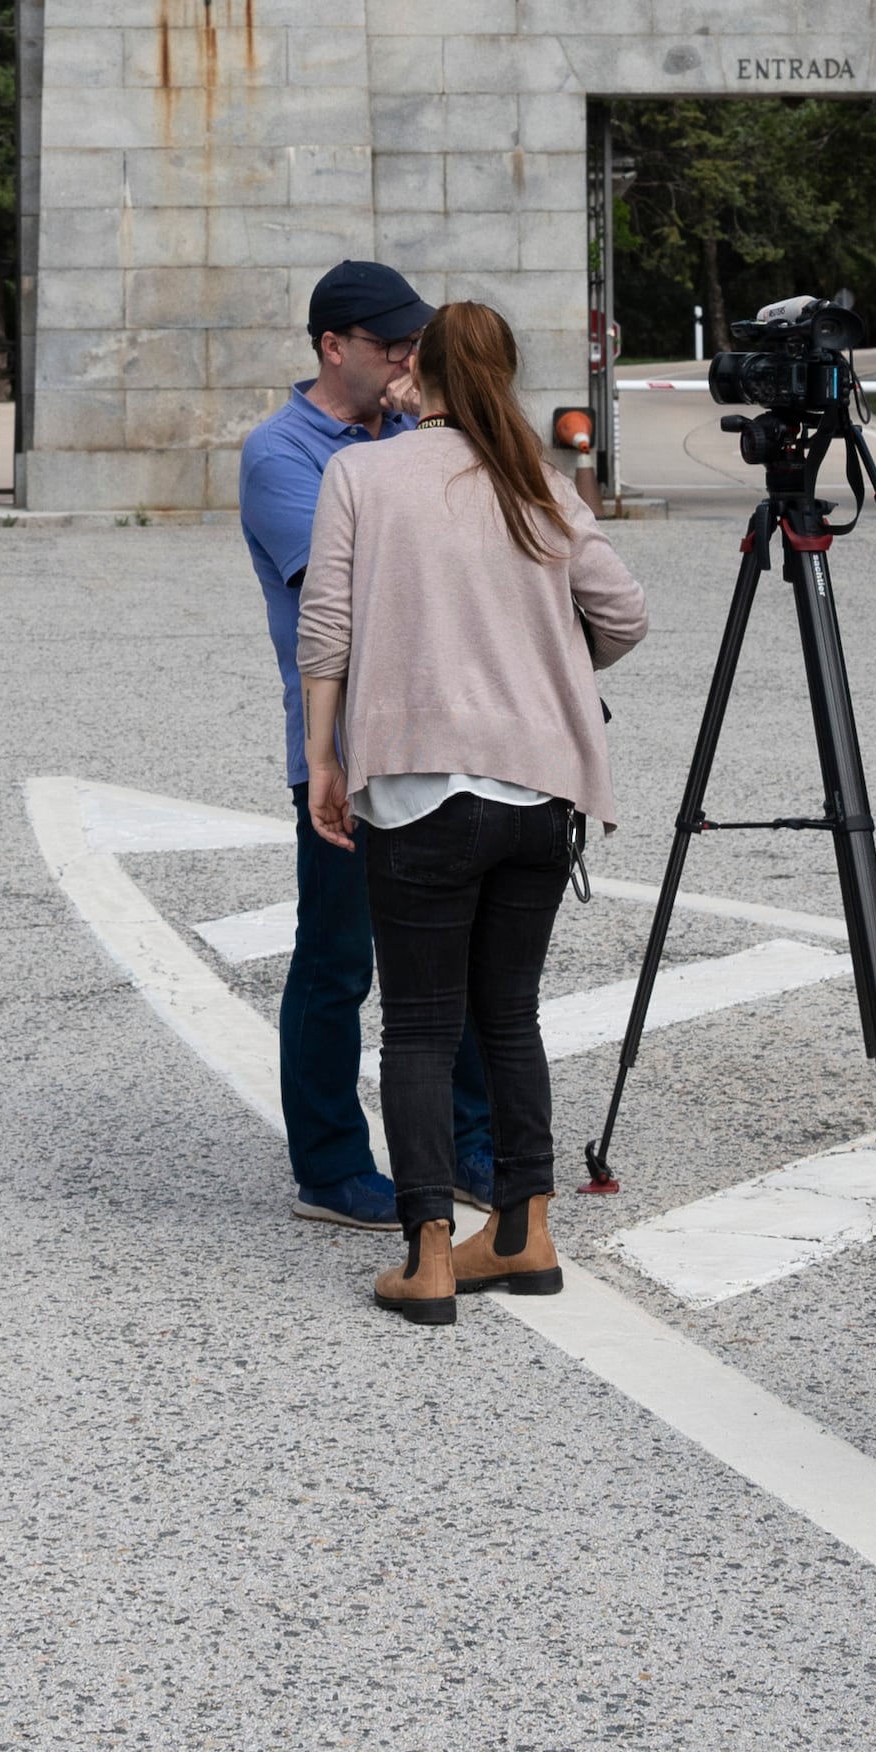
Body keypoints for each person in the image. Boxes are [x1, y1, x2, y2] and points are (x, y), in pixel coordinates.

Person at [296, 301, 648, 1324]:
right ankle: (522, 1232)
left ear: (421, 372)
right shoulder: (538, 482)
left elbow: (327, 629)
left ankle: (426, 1254)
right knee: (508, 1016)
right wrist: (550, 673)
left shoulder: (361, 474)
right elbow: (624, 613)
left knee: (415, 1023)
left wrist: (325, 757)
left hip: (419, 785)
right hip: (540, 792)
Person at [239, 260, 492, 1229]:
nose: (406, 356)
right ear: (331, 345)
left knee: (456, 956)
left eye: (413, 343)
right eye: (388, 342)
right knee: (338, 960)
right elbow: (358, 593)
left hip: (437, 737)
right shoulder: (282, 455)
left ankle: (468, 1141)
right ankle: (331, 1163)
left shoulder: (406, 436)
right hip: (344, 754)